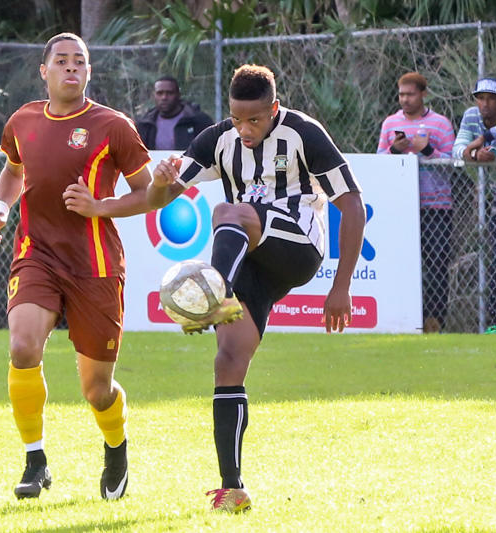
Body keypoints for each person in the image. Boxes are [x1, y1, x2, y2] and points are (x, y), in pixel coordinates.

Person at [147, 65, 365, 512]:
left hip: (298, 248)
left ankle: (213, 293)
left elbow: (353, 205)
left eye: (255, 120)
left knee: (230, 211)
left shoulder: (303, 133)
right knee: (228, 361)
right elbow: (160, 195)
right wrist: (150, 183)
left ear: (274, 109)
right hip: (252, 261)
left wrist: (341, 286)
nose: (244, 129)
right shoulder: (217, 139)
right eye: (236, 118)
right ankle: (233, 489)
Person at [0, 33, 153, 501]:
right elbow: (13, 170)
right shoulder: (23, 120)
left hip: (96, 266)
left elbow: (149, 193)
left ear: (89, 72)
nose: (70, 67)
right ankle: (35, 461)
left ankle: (116, 446)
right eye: (61, 61)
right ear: (45, 71)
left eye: (79, 61)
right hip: (36, 253)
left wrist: (100, 206)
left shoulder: (113, 126)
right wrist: (0, 210)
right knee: (22, 347)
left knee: (97, 390)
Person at [377, 72, 456, 333]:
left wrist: (428, 150)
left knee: (436, 266)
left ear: (423, 94)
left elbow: (453, 164)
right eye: (401, 95)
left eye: (410, 94)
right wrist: (394, 150)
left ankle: (435, 321)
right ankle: (403, 319)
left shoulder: (440, 124)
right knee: (402, 265)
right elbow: (379, 161)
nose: (405, 99)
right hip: (400, 208)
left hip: (435, 208)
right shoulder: (390, 123)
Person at [453, 77, 496, 333]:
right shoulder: (471, 116)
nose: (485, 104)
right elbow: (457, 150)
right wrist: (474, 154)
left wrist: (488, 138)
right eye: (480, 98)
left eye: (491, 98)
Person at [136, 76, 213, 150]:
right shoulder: (145, 124)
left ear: (178, 95)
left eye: (169, 93)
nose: (164, 97)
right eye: (159, 93)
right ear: (154, 96)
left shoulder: (199, 121)